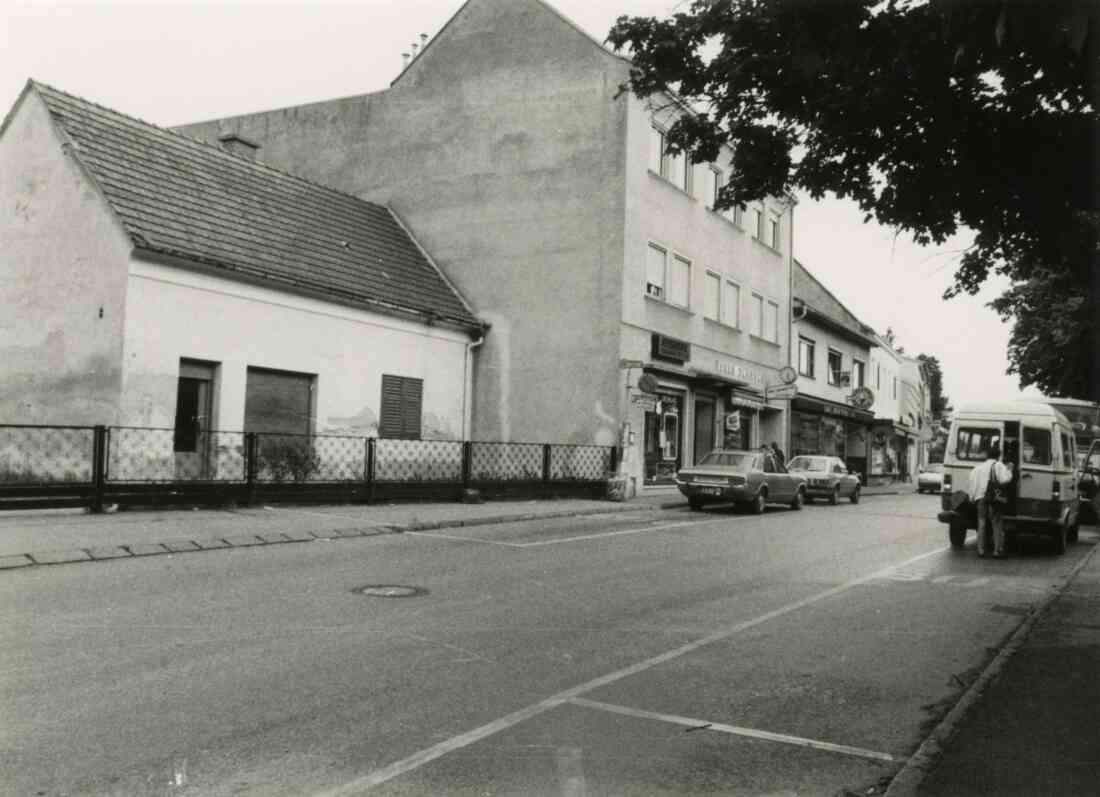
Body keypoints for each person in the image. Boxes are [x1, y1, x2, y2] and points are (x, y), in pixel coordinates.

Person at [967, 443, 1013, 558]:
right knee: (996, 523)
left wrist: (972, 498)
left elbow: (972, 484)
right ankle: (997, 550)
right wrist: (1010, 470)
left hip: (980, 498)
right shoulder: (998, 465)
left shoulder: (977, 468)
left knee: (981, 523)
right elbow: (1004, 480)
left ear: (987, 456)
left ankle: (981, 550)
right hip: (993, 498)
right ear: (998, 456)